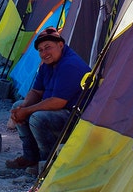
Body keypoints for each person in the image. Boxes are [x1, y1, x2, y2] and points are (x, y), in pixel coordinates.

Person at [5, 26, 90, 173]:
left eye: (48, 47)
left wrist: (26, 111)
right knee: (18, 105)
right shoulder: (47, 64)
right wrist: (23, 108)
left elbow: (58, 101)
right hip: (58, 109)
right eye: (40, 50)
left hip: (76, 117)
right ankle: (30, 156)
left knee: (38, 118)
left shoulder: (70, 65)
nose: (44, 53)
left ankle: (47, 163)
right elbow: (37, 91)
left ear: (60, 45)